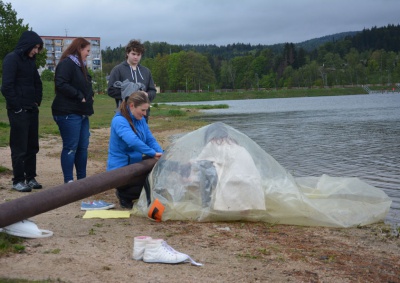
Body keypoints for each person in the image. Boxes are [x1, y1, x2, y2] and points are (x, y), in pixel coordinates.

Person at [1, 30, 44, 192]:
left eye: (38, 48)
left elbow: (37, 83)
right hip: (18, 111)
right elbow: (6, 86)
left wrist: (36, 101)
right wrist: (17, 107)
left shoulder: (30, 62)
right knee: (19, 147)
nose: (36, 51)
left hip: (32, 109)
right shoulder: (11, 59)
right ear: (27, 44)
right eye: (35, 47)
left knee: (32, 145)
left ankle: (30, 177)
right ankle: (18, 180)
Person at [107, 88, 163, 209]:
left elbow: (150, 139)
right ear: (132, 106)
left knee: (158, 172)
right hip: (120, 170)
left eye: (146, 110)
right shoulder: (119, 121)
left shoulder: (140, 119)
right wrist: (152, 153)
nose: (145, 114)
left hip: (134, 164)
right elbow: (133, 141)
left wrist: (161, 154)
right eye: (142, 110)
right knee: (150, 183)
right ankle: (124, 195)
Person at [52, 38, 94, 184]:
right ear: (79, 48)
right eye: (87, 51)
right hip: (67, 112)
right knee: (71, 147)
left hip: (82, 112)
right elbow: (61, 83)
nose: (88, 54)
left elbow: (86, 85)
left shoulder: (81, 66)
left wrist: (90, 96)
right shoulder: (67, 64)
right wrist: (79, 96)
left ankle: (82, 180)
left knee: (83, 147)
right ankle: (69, 181)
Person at [107, 39, 156, 122]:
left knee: (142, 135)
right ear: (127, 53)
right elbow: (111, 90)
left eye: (138, 54)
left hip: (143, 115)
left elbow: (153, 91)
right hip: (125, 114)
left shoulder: (146, 71)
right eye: (133, 54)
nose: (136, 57)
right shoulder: (118, 70)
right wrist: (130, 95)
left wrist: (146, 95)